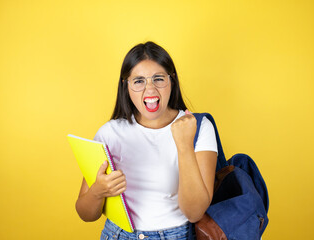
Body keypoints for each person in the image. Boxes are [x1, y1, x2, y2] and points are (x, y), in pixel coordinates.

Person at [75, 41, 218, 240]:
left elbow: (194, 213)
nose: (150, 90)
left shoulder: (197, 127)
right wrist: (98, 191)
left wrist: (184, 145)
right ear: (126, 86)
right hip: (117, 235)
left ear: (172, 80)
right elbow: (85, 214)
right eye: (139, 81)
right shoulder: (109, 133)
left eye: (158, 79)